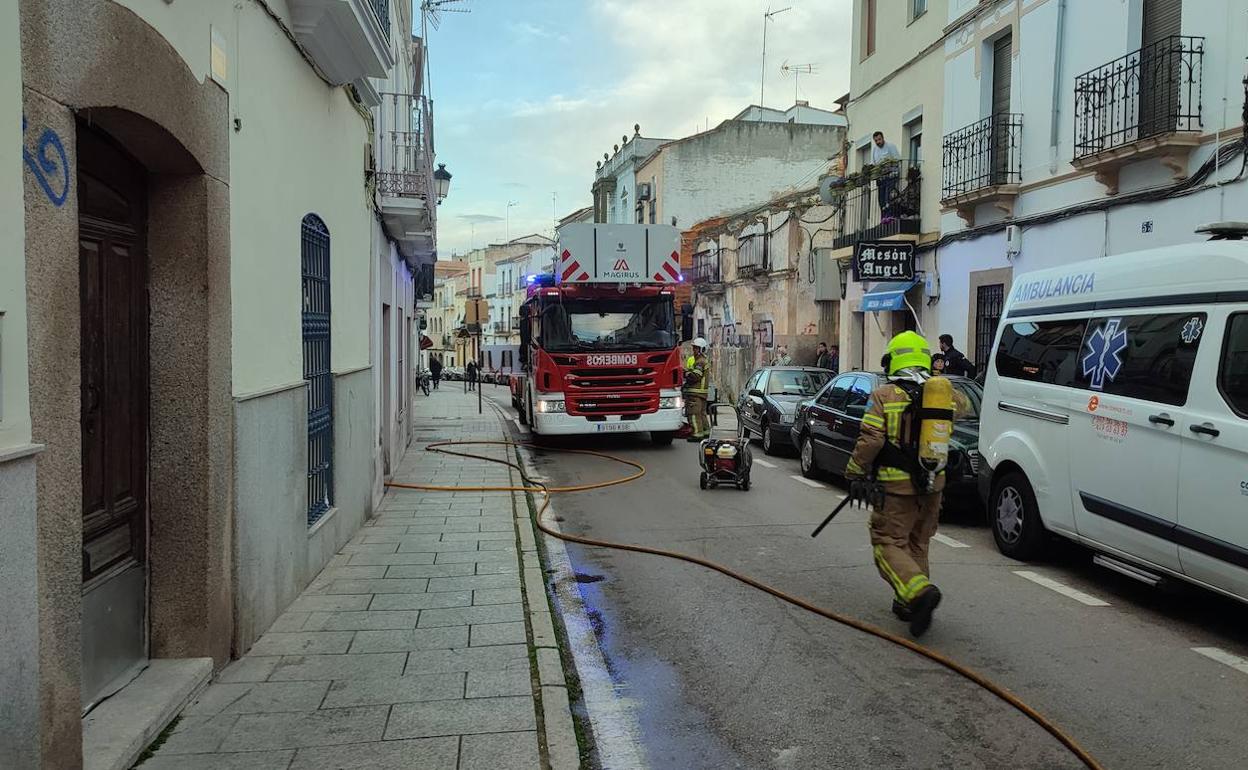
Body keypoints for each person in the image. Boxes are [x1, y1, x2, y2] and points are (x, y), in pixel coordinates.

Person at [846, 331, 965, 637]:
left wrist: (855, 470)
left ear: (893, 360)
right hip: (934, 483)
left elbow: (871, 439)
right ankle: (908, 603)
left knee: (887, 543)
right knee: (917, 543)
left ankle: (918, 594)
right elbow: (962, 409)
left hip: (897, 486)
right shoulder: (942, 393)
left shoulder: (884, 395)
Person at [684, 338, 711, 442]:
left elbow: (695, 376)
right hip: (701, 393)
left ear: (701, 349)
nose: (693, 350)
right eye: (693, 348)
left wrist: (686, 373)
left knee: (694, 413)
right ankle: (705, 432)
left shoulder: (699, 362)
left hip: (695, 393)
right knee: (702, 413)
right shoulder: (703, 360)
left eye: (696, 348)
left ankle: (696, 434)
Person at [870, 131, 901, 218]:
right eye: (876, 140)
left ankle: (890, 216)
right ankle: (884, 218)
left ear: (883, 138)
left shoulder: (891, 146)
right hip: (881, 178)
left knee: (888, 197)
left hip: (891, 176)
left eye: (879, 139)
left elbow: (897, 160)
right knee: (881, 200)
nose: (878, 142)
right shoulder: (874, 150)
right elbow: (873, 164)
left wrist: (889, 166)